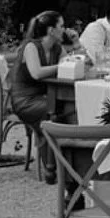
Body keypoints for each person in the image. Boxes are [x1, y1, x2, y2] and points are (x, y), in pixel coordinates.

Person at [10, 10, 64, 181]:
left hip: (45, 98)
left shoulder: (57, 48)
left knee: (68, 109)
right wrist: (61, 66)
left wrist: (77, 46)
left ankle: (64, 163)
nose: (64, 29)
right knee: (53, 113)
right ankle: (51, 167)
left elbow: (72, 65)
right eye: (61, 26)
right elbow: (37, 73)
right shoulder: (31, 46)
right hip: (24, 100)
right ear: (51, 30)